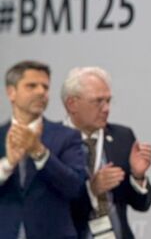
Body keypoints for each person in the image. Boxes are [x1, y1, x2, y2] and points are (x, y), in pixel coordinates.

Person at [61, 66, 151, 239]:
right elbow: (48, 210)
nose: (106, 109)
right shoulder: (52, 144)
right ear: (72, 104)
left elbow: (142, 204)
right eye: (98, 101)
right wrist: (91, 191)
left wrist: (138, 176)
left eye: (108, 101)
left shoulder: (122, 137)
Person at [0, 60, 87, 239]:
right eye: (31, 86)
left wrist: (40, 153)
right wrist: (8, 164)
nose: (41, 92)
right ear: (11, 92)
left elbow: (75, 187)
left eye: (45, 87)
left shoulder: (67, 136)